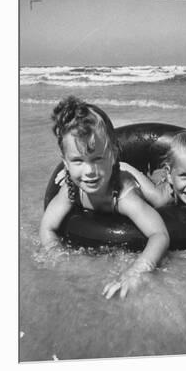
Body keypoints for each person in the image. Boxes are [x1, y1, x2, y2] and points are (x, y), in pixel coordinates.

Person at [39, 96, 170, 299]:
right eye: (77, 160)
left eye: (97, 158)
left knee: (161, 200)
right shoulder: (71, 189)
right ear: (65, 162)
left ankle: (135, 170)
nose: (89, 171)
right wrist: (54, 252)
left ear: (113, 154)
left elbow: (159, 234)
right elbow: (47, 225)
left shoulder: (125, 197)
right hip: (112, 170)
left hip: (127, 180)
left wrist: (136, 272)